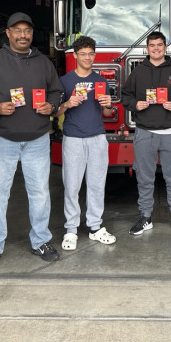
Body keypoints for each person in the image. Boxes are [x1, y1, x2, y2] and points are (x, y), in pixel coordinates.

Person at [0, 12, 64, 269]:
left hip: (37, 138)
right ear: (8, 33)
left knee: (40, 193)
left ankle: (41, 241)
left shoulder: (44, 62)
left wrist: (51, 105)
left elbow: (56, 91)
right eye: (17, 30)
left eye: (27, 31)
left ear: (32, 34)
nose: (23, 35)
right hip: (2, 138)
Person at [121, 31, 171, 237]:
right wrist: (136, 104)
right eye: (152, 45)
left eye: (159, 45)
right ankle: (145, 217)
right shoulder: (138, 72)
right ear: (147, 48)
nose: (156, 48)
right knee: (144, 178)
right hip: (144, 133)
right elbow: (125, 96)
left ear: (165, 47)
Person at [55, 36, 116, 250]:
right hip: (73, 138)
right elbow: (55, 112)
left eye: (91, 54)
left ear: (94, 55)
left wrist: (108, 105)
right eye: (83, 54)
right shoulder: (65, 81)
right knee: (71, 185)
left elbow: (107, 114)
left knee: (97, 184)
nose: (87, 58)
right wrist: (67, 104)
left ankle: (95, 227)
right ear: (75, 55)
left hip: (97, 137)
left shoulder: (101, 81)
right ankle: (71, 230)